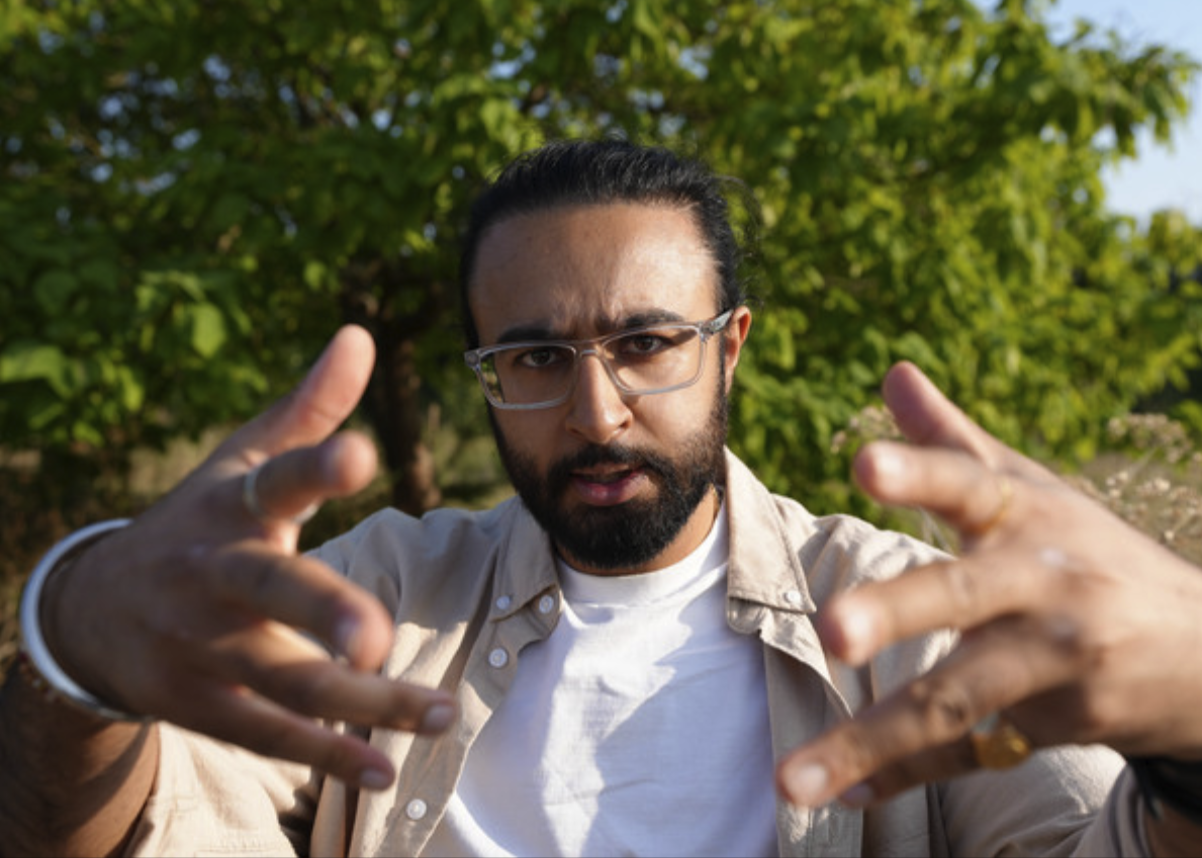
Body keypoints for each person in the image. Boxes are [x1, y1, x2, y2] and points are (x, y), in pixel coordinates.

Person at [2, 139, 1201, 857]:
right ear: (481, 371)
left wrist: (1190, 741)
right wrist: (73, 657)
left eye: (644, 342)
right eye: (531, 359)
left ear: (730, 347)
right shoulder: (379, 594)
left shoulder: (901, 615)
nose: (594, 411)